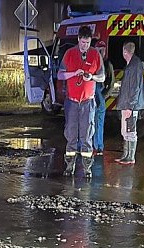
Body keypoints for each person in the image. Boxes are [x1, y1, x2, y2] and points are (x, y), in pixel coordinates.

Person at [57, 24, 104, 178]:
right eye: (83, 43)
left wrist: (92, 77)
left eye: (88, 43)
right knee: (71, 134)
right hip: (72, 102)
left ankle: (87, 168)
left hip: (87, 102)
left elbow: (102, 77)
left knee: (87, 135)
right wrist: (73, 73)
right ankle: (69, 166)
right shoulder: (70, 54)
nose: (85, 46)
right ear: (78, 40)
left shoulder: (95, 54)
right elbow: (60, 75)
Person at [115, 41, 144, 166]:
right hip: (127, 104)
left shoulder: (135, 65)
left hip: (131, 105)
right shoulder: (133, 64)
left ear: (125, 51)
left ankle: (130, 157)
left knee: (130, 130)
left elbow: (135, 88)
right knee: (125, 130)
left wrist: (130, 106)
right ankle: (125, 155)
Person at [93, 41, 114, 157]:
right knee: (92, 123)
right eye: (99, 50)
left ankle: (98, 147)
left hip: (99, 96)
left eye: (103, 50)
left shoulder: (107, 64)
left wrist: (103, 96)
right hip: (92, 96)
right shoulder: (93, 62)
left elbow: (111, 83)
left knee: (98, 123)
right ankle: (94, 146)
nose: (101, 52)